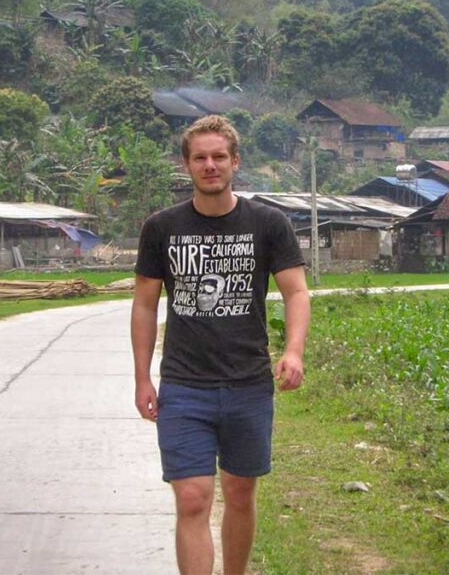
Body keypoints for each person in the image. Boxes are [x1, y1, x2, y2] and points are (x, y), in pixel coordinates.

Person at [131, 115, 310, 574]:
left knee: (239, 493)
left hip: (248, 383)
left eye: (218, 157)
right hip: (184, 386)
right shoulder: (161, 228)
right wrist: (141, 378)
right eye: (200, 158)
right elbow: (146, 305)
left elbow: (296, 291)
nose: (210, 165)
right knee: (192, 498)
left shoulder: (267, 224)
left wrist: (293, 350)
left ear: (235, 162)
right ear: (186, 165)